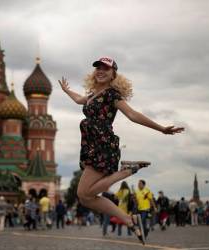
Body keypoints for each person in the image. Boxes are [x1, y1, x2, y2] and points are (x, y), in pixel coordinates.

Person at [58, 57, 184, 244]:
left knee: (84, 194)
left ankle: (126, 171)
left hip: (102, 145)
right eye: (98, 68)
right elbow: (79, 100)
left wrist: (161, 129)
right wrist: (67, 90)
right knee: (86, 197)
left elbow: (133, 115)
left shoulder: (111, 95)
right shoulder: (93, 94)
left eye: (105, 69)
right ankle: (129, 219)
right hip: (92, 146)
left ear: (113, 74)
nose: (100, 71)